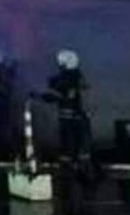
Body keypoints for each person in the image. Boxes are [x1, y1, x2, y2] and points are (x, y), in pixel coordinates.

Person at [36, 50, 99, 192]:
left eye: (61, 63)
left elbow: (63, 97)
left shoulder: (70, 79)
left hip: (71, 120)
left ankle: (80, 179)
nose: (59, 66)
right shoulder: (76, 77)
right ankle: (82, 179)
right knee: (76, 151)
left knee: (71, 150)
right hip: (75, 119)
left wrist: (43, 96)